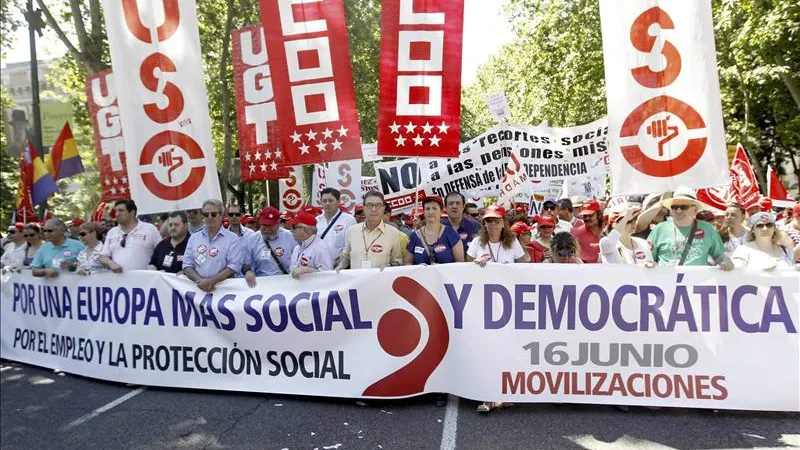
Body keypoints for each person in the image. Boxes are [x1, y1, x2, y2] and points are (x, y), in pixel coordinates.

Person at [647, 188, 733, 270]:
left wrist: (725, 262)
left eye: (684, 207)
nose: (678, 210)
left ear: (695, 210)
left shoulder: (708, 229)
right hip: (666, 283)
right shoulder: (660, 229)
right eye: (674, 207)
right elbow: (648, 257)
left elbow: (719, 255)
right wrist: (650, 264)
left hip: (697, 283)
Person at [182, 199, 243, 292]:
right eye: (206, 214)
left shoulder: (232, 238)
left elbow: (233, 266)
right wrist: (200, 281)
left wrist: (211, 281)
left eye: (213, 214)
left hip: (223, 291)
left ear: (221, 215)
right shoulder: (193, 238)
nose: (209, 217)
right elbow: (186, 265)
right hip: (197, 290)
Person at [336, 191, 404, 270]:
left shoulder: (393, 232)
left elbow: (398, 260)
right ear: (364, 208)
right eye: (369, 205)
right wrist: (341, 265)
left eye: (378, 205)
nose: (374, 209)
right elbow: (346, 256)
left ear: (383, 208)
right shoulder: (352, 230)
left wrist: (389, 266)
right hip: (357, 281)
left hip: (380, 280)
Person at [98, 199, 162, 272]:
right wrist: (110, 263)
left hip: (145, 281)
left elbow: (161, 253)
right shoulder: (112, 232)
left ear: (132, 213)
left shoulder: (150, 229)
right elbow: (103, 257)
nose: (116, 214)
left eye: (121, 210)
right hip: (119, 281)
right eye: (116, 211)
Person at [242, 207, 297, 286]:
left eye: (270, 225)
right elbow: (246, 264)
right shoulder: (252, 240)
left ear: (279, 222)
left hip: (287, 284)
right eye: (264, 225)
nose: (267, 229)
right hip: (261, 285)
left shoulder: (290, 237)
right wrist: (248, 272)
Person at [404, 196, 464, 265]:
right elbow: (407, 263)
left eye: (434, 208)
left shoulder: (451, 234)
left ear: (441, 211)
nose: (430, 212)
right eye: (427, 209)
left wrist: (441, 268)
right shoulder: (414, 236)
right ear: (424, 212)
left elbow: (460, 264)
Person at [288, 210, 334, 278]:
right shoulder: (297, 248)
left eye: (294, 227)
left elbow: (328, 275)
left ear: (306, 230)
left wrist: (308, 270)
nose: (291, 230)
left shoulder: (321, 248)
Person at [316, 187, 357, 261]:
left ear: (338, 202)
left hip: (340, 266)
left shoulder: (349, 220)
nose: (327, 203)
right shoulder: (316, 221)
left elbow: (351, 245)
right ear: (321, 202)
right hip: (319, 265)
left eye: (331, 200)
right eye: (324, 201)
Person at [571, 198, 604, 263]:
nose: (587, 218)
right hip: (585, 270)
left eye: (590, 215)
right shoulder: (576, 233)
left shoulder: (607, 231)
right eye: (585, 216)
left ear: (599, 215)